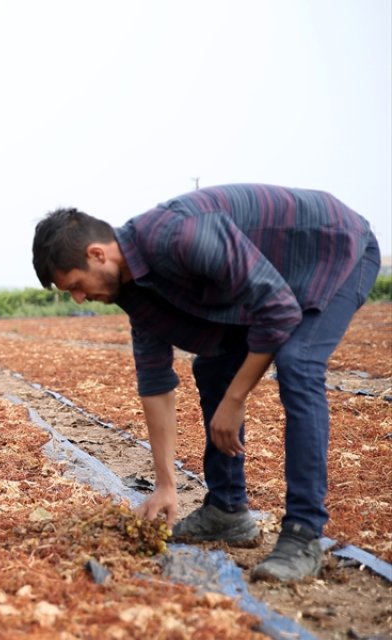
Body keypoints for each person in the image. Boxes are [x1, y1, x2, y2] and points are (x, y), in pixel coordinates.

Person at [31, 184, 380, 582]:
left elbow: (279, 310)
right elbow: (156, 382)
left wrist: (235, 399)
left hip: (333, 249)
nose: (78, 298)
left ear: (97, 254)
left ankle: (303, 532)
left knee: (298, 363)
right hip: (274, 279)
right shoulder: (134, 293)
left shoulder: (177, 236)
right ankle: (227, 511)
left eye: (76, 284)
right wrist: (165, 484)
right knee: (213, 365)